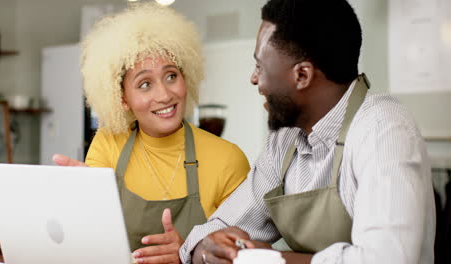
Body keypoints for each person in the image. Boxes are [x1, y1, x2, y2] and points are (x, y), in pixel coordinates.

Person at [179, 0, 436, 263]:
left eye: (260, 67)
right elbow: (220, 226)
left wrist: (275, 259)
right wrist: (205, 247)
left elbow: (386, 259)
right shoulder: (285, 140)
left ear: (302, 75)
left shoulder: (384, 130)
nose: (254, 79)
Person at [52, 3, 250, 264]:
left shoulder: (228, 159)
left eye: (171, 76)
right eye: (145, 84)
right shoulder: (109, 142)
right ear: (122, 98)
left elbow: (243, 253)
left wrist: (190, 253)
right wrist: (79, 203)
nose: (164, 95)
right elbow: (92, 238)